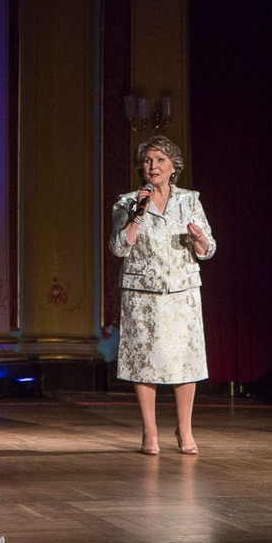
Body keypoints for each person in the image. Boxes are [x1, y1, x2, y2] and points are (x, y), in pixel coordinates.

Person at [109, 135, 215, 456]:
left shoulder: (190, 201)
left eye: (160, 160)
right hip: (142, 293)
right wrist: (136, 219)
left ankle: (184, 430)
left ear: (173, 167)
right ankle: (150, 432)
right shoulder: (127, 203)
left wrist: (198, 239)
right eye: (148, 161)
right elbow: (117, 247)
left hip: (182, 291)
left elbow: (208, 249)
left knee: (186, 361)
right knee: (145, 361)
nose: (153, 166)